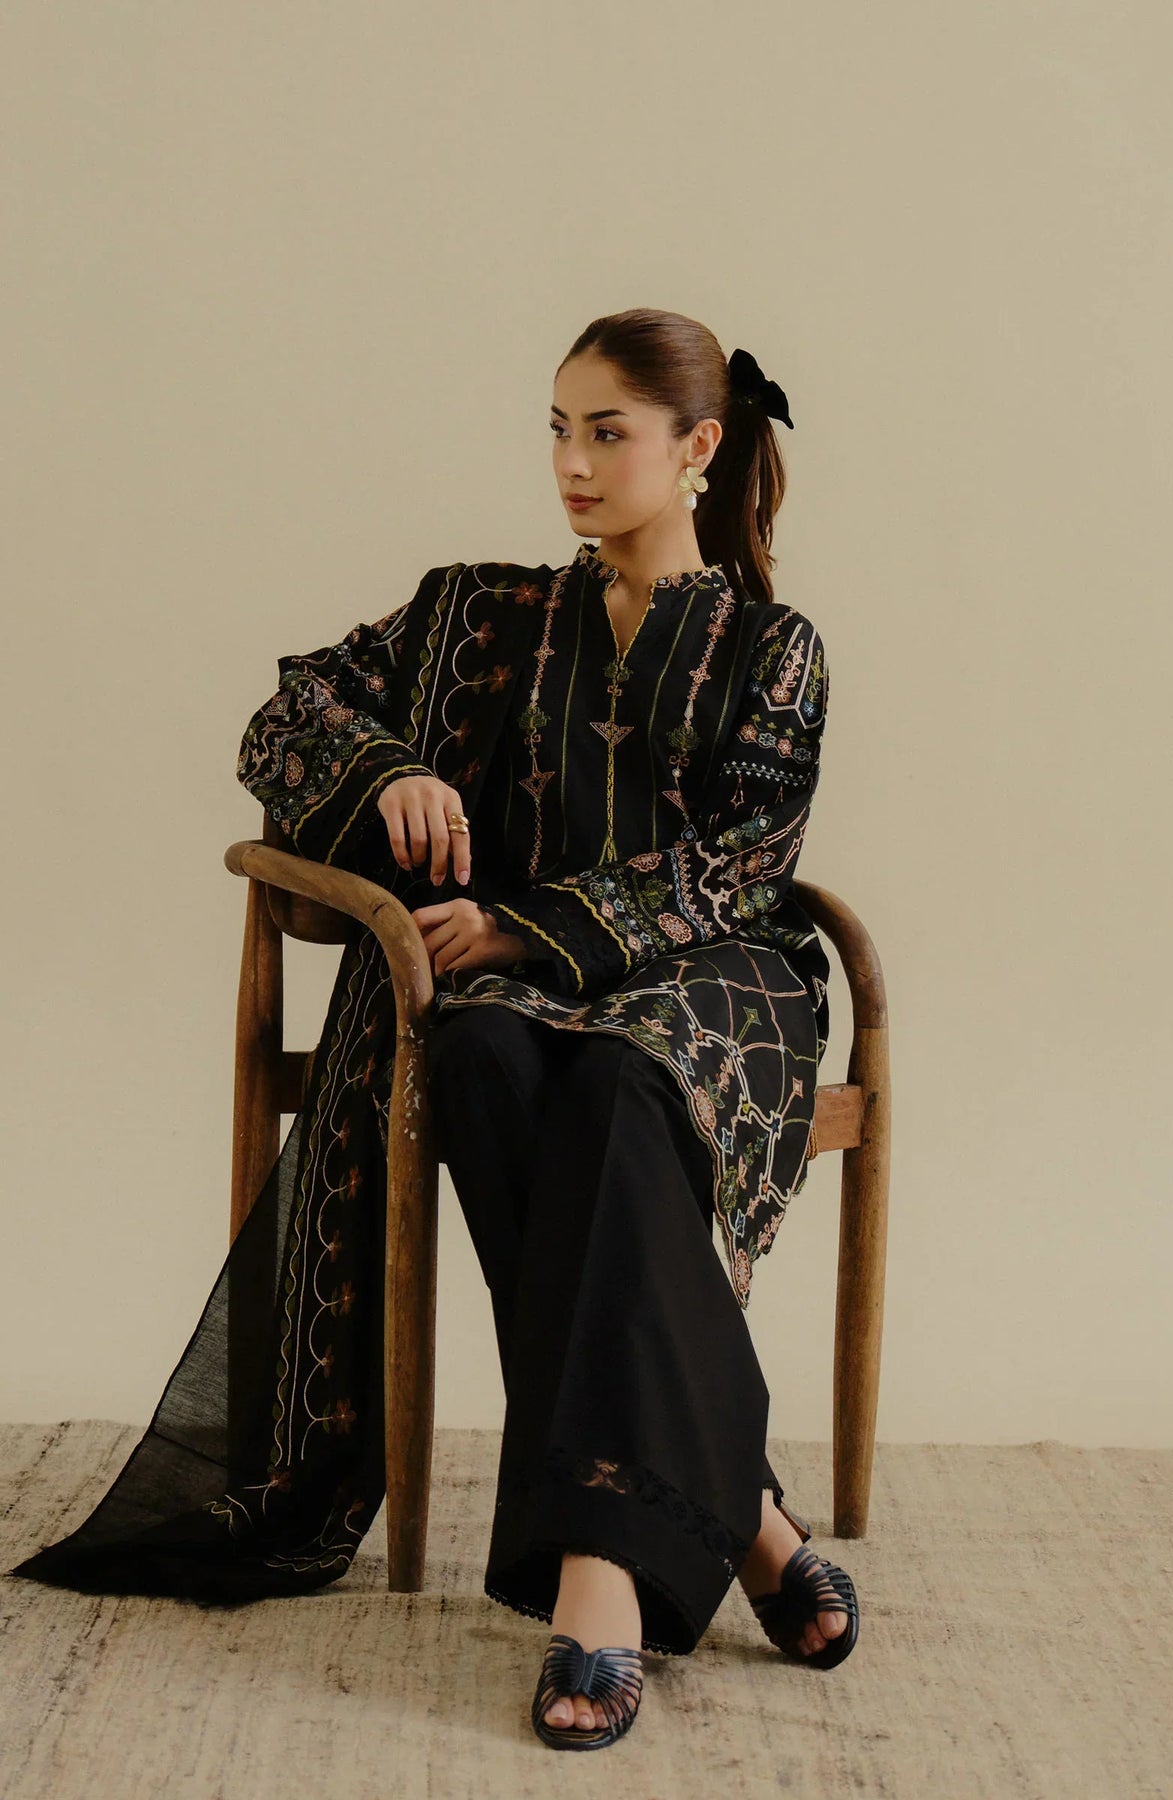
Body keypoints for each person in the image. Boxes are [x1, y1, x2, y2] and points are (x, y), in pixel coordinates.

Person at [6, 308, 859, 1752]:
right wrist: (392, 766)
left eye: (608, 432)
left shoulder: (774, 649)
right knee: (476, 1056)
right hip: (509, 990)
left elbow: (738, 867)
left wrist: (527, 925)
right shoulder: (480, 616)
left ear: (698, 449)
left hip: (713, 980)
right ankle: (751, 1506)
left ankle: (599, 1585)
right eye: (558, 429)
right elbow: (290, 712)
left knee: (616, 1083)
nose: (572, 463)